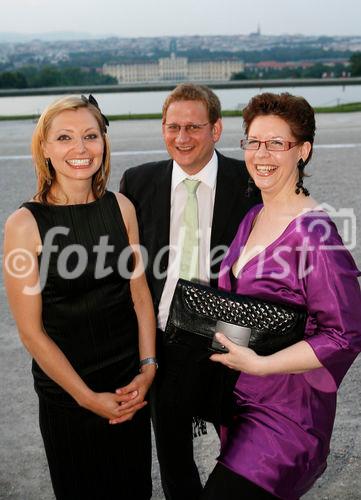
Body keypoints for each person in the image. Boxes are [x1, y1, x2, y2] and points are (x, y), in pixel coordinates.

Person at [201, 92, 361, 500]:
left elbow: (346, 334)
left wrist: (263, 364)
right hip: (239, 404)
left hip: (286, 420)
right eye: (253, 142)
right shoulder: (254, 216)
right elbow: (239, 304)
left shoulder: (315, 234)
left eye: (277, 143)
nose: (262, 154)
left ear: (303, 151)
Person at [3, 95, 156, 500]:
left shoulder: (121, 208)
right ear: (45, 148)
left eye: (90, 136)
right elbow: (31, 333)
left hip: (129, 389)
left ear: (103, 142)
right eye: (65, 137)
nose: (80, 149)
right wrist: (87, 398)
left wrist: (148, 367)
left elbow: (139, 296)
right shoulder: (24, 225)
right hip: (69, 397)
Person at [119, 83, 261, 499]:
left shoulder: (250, 181)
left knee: (244, 449)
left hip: (231, 335)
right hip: (164, 336)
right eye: (172, 127)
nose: (181, 138)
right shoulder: (138, 182)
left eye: (193, 127)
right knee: (173, 454)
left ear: (216, 129)